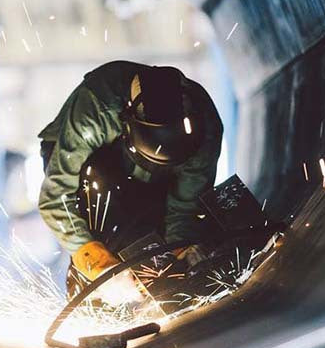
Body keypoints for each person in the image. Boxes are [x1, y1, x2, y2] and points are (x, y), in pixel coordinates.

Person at [37, 61, 223, 298]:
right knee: (104, 211)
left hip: (155, 173)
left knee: (153, 229)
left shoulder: (205, 130)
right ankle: (93, 302)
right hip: (83, 161)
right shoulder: (96, 110)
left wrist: (181, 251)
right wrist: (97, 262)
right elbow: (55, 198)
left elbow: (184, 208)